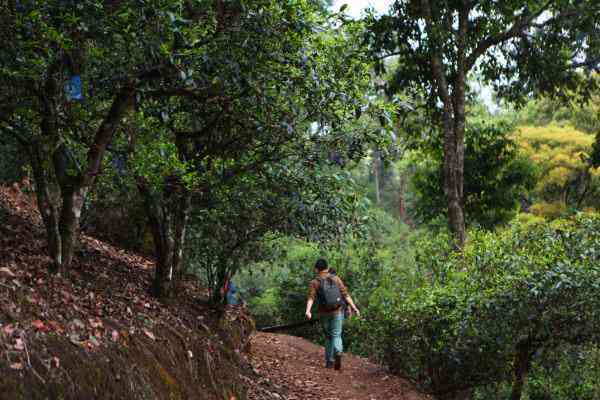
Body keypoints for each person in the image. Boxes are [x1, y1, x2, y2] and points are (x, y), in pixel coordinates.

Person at [305, 259, 360, 370]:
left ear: (316, 269)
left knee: (328, 336)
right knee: (336, 335)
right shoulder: (336, 278)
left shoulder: (315, 282)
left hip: (324, 313)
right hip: (337, 311)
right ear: (327, 267)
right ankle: (338, 351)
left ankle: (330, 361)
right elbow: (345, 295)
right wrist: (354, 308)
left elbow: (311, 298)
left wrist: (308, 311)